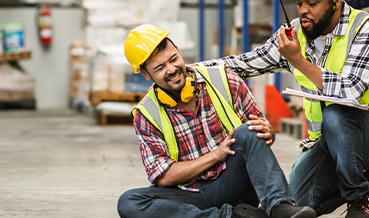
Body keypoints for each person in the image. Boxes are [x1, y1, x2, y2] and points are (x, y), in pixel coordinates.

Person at [198, 0, 369, 218]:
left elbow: (350, 89)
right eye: (298, 2)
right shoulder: (295, 33)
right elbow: (247, 62)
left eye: (312, 2)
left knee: (336, 113)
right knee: (295, 204)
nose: (303, 10)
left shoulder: (367, 29)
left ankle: (359, 199)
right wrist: (193, 70)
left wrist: (298, 60)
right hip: (327, 141)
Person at [116, 24, 316, 218]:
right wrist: (216, 155)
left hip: (233, 183)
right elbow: (164, 177)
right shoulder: (146, 114)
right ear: (145, 74)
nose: (171, 69)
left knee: (249, 130)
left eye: (173, 59)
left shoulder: (224, 79)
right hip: (186, 194)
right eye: (159, 67)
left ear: (177, 49)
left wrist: (267, 132)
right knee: (129, 202)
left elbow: (261, 133)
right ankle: (232, 216)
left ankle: (280, 208)